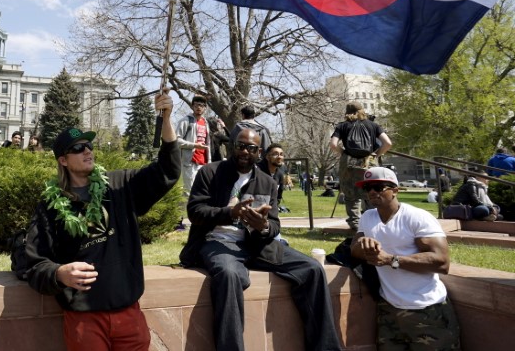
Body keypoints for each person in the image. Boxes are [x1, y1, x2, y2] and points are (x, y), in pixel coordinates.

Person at [24, 90, 180, 351]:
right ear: (63, 160)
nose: (87, 151)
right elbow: (33, 263)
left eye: (89, 146)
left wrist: (165, 120)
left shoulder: (120, 185)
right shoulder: (50, 207)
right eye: (77, 148)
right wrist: (59, 273)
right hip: (84, 320)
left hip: (129, 314)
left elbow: (168, 170)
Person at [180, 128, 342, 351]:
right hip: (218, 242)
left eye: (251, 148)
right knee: (229, 275)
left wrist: (263, 226)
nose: (244, 151)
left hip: (256, 244)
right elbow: (195, 211)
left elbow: (274, 225)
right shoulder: (210, 172)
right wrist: (230, 213)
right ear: (232, 147)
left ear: (260, 153)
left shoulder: (267, 182)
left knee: (312, 269)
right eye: (240, 146)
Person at [350, 167, 460, 350]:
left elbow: (442, 262)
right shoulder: (367, 217)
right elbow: (354, 249)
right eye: (367, 187)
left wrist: (391, 260)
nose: (371, 192)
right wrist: (364, 244)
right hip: (388, 309)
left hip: (426, 309)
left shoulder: (417, 217)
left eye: (378, 187)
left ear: (395, 190)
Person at [329, 101, 392, 230]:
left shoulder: (342, 126)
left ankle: (355, 225)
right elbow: (388, 143)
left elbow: (333, 144)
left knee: (350, 195)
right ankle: (373, 224)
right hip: (368, 162)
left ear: (347, 112)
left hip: (348, 163)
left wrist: (344, 153)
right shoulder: (373, 125)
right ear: (362, 111)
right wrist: (376, 154)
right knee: (371, 191)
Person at [176, 94, 210, 195]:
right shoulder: (186, 121)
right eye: (196, 105)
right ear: (192, 106)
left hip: (203, 162)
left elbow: (208, 144)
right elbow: (177, 141)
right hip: (189, 162)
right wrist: (195, 145)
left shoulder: (205, 122)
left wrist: (209, 161)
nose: (199, 107)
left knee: (201, 191)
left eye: (201, 105)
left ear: (205, 108)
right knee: (189, 192)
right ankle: (186, 210)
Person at [256, 143, 287, 209]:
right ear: (267, 157)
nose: (279, 157)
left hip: (271, 212)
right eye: (275, 154)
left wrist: (273, 208)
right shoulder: (256, 171)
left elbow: (278, 197)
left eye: (281, 154)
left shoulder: (280, 174)